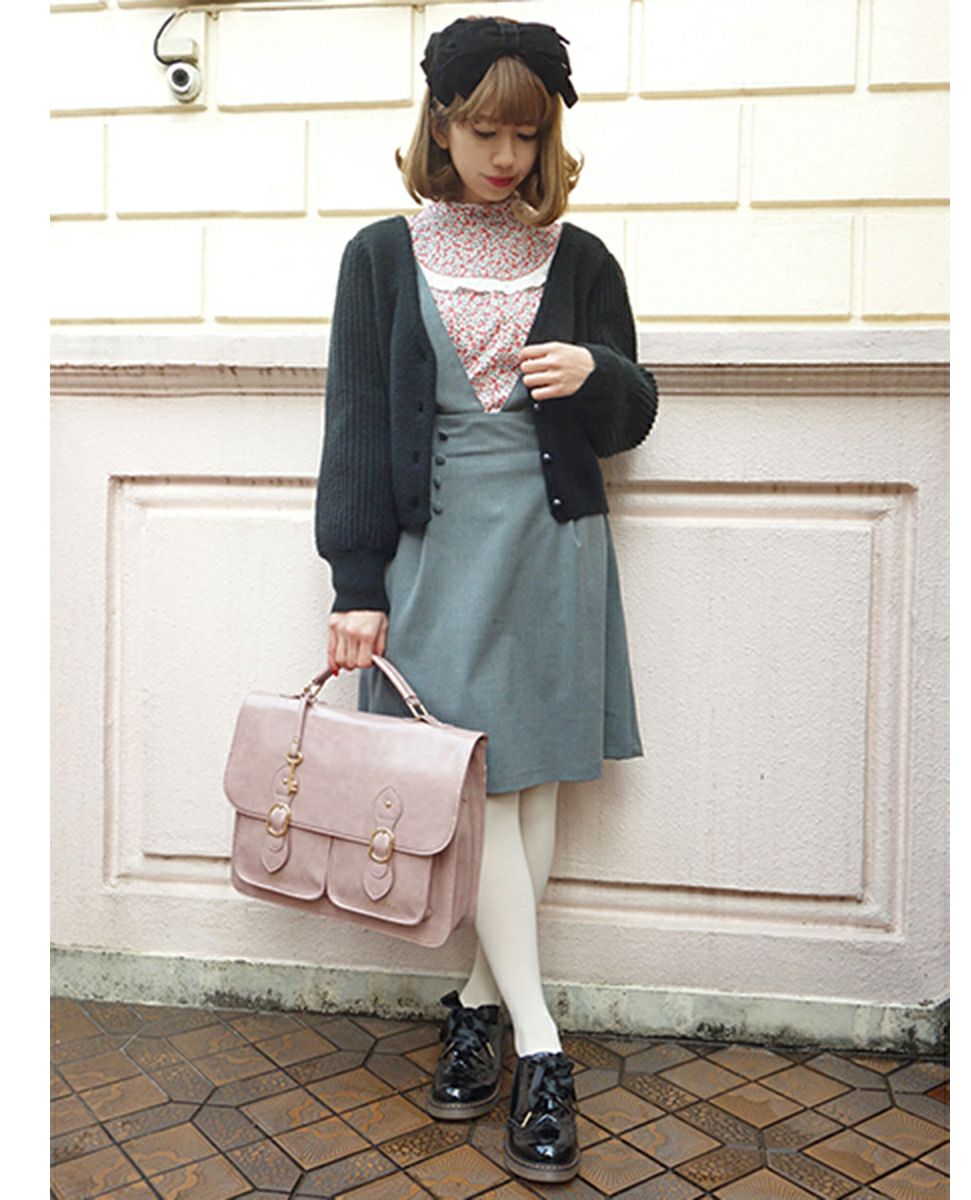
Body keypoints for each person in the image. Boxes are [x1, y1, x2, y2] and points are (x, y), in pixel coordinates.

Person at [314, 14, 658, 1185]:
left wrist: (598, 374)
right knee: (478, 790)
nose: (505, 155)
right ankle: (543, 1045)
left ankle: (475, 1011)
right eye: (482, 131)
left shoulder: (582, 259)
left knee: (533, 779)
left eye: (527, 133)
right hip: (437, 554)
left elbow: (629, 414)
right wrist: (356, 583)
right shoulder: (378, 257)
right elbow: (356, 423)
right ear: (441, 128)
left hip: (554, 548)